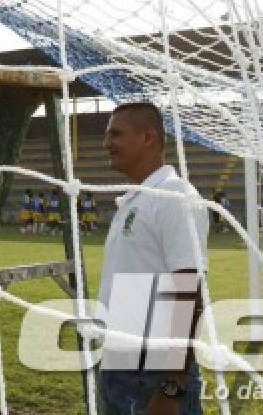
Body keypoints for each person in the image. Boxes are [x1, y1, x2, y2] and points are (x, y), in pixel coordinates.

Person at [99, 103, 209, 415]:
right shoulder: (136, 198)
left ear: (148, 137)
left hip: (153, 374)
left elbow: (189, 291)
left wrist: (171, 389)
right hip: (119, 365)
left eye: (115, 134)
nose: (106, 143)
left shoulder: (174, 196)